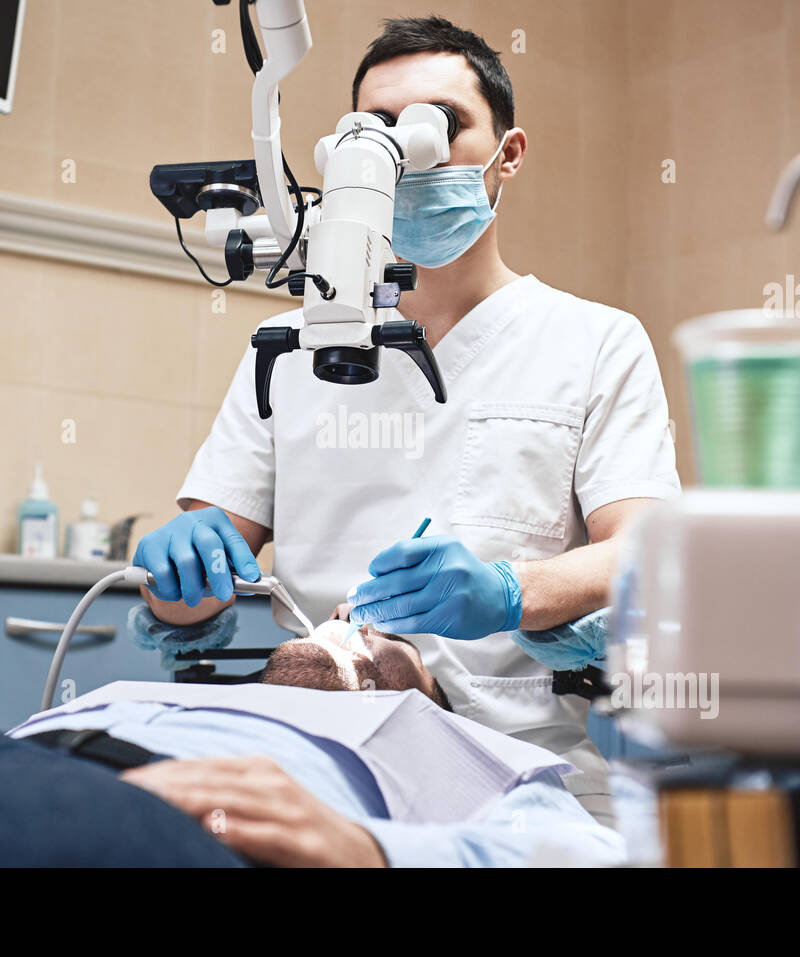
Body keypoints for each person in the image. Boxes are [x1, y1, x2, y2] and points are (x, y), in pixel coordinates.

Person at [134, 16, 680, 827]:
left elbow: (649, 551)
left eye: (441, 125)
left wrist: (507, 592)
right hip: (318, 727)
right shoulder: (292, 348)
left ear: (510, 153)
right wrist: (178, 569)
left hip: (519, 758)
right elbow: (189, 596)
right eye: (379, 131)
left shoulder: (594, 341)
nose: (408, 153)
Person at [0, 622, 625, 868]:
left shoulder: (461, 751)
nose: (347, 622)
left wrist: (373, 848)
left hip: (168, 819)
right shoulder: (167, 696)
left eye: (379, 639)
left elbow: (590, 856)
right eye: (344, 616)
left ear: (424, 690)